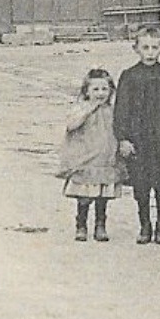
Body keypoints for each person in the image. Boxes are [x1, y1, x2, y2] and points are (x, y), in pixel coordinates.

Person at [113, 24, 160, 245]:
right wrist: (123, 138)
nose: (149, 52)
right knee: (141, 183)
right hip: (138, 141)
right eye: (145, 47)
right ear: (136, 49)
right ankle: (144, 224)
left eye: (154, 47)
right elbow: (121, 110)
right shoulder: (129, 76)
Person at [58, 68, 123, 243]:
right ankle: (81, 224)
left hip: (105, 159)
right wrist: (88, 110)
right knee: (85, 196)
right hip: (86, 159)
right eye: (95, 89)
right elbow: (71, 125)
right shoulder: (81, 108)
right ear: (86, 91)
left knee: (103, 196)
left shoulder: (112, 111)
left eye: (104, 89)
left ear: (111, 91)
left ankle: (100, 225)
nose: (100, 93)